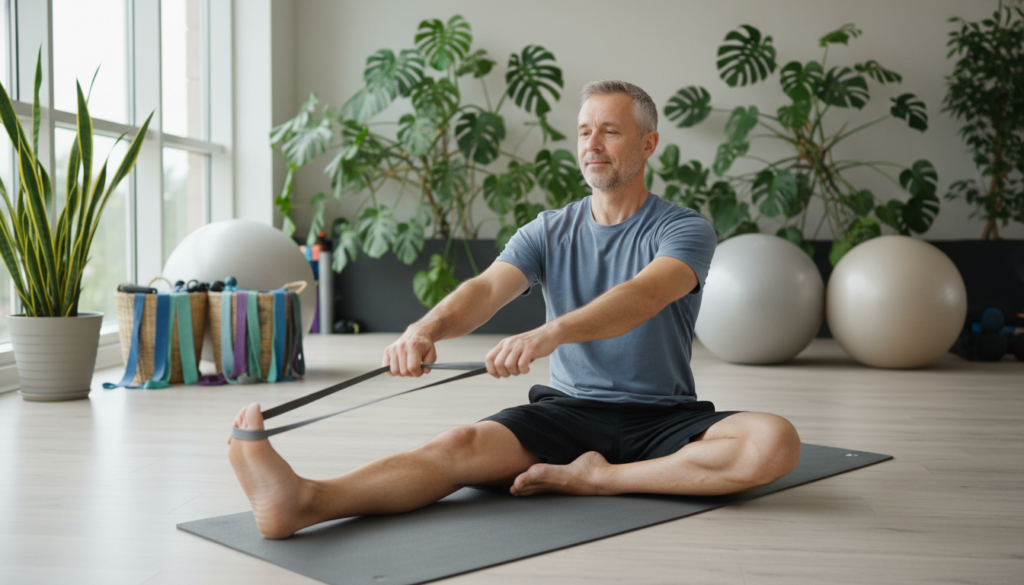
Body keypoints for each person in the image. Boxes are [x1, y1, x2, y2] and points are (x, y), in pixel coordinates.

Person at [228, 80, 802, 540]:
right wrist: (424, 329)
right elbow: (484, 289)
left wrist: (550, 334)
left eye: (610, 131)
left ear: (647, 144)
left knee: (773, 441)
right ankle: (303, 501)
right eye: (583, 131)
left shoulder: (682, 228)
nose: (592, 145)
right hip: (568, 414)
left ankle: (600, 479)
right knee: (455, 446)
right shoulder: (549, 230)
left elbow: (646, 295)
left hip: (664, 417)